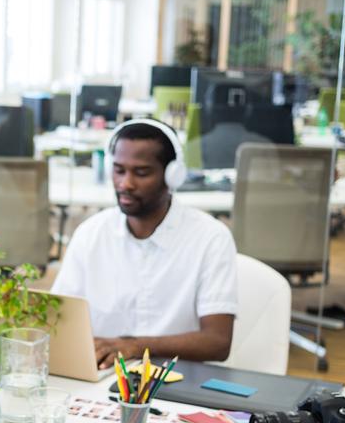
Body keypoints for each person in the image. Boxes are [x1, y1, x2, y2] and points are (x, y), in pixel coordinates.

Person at [50, 119, 237, 369]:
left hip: (178, 379)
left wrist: (134, 346)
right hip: (104, 377)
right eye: (118, 170)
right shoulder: (90, 234)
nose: (125, 183)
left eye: (141, 172)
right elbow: (59, 322)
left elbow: (217, 342)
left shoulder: (210, 238)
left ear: (172, 176)